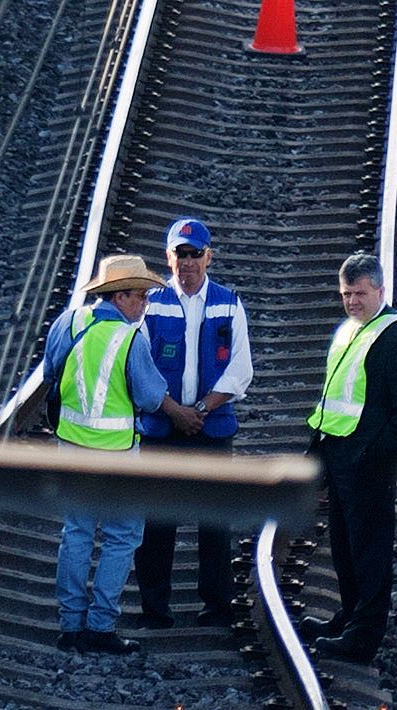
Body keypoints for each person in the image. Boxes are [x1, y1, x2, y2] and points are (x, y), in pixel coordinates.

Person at [42, 252, 174, 653]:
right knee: (121, 536)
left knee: (77, 532)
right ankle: (100, 626)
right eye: (140, 296)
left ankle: (70, 625)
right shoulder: (129, 338)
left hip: (71, 447)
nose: (145, 304)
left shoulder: (70, 321)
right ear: (119, 297)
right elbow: (152, 398)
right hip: (117, 453)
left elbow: (50, 372)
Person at [302, 252, 397, 666]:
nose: (351, 301)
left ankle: (364, 636)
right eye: (345, 294)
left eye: (359, 293)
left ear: (380, 290)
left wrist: (377, 457)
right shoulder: (349, 330)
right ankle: (350, 617)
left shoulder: (396, 337)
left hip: (366, 463)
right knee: (344, 545)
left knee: (370, 551)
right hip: (340, 455)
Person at [132, 217, 253, 628]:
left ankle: (217, 605)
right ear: (168, 257)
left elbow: (240, 371)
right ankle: (155, 608)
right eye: (179, 254)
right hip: (162, 429)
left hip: (211, 427)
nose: (187, 263)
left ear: (209, 256)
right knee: (157, 522)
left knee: (214, 521)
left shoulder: (229, 303)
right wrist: (174, 410)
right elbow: (142, 368)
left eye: (194, 254)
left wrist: (201, 408)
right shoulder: (151, 304)